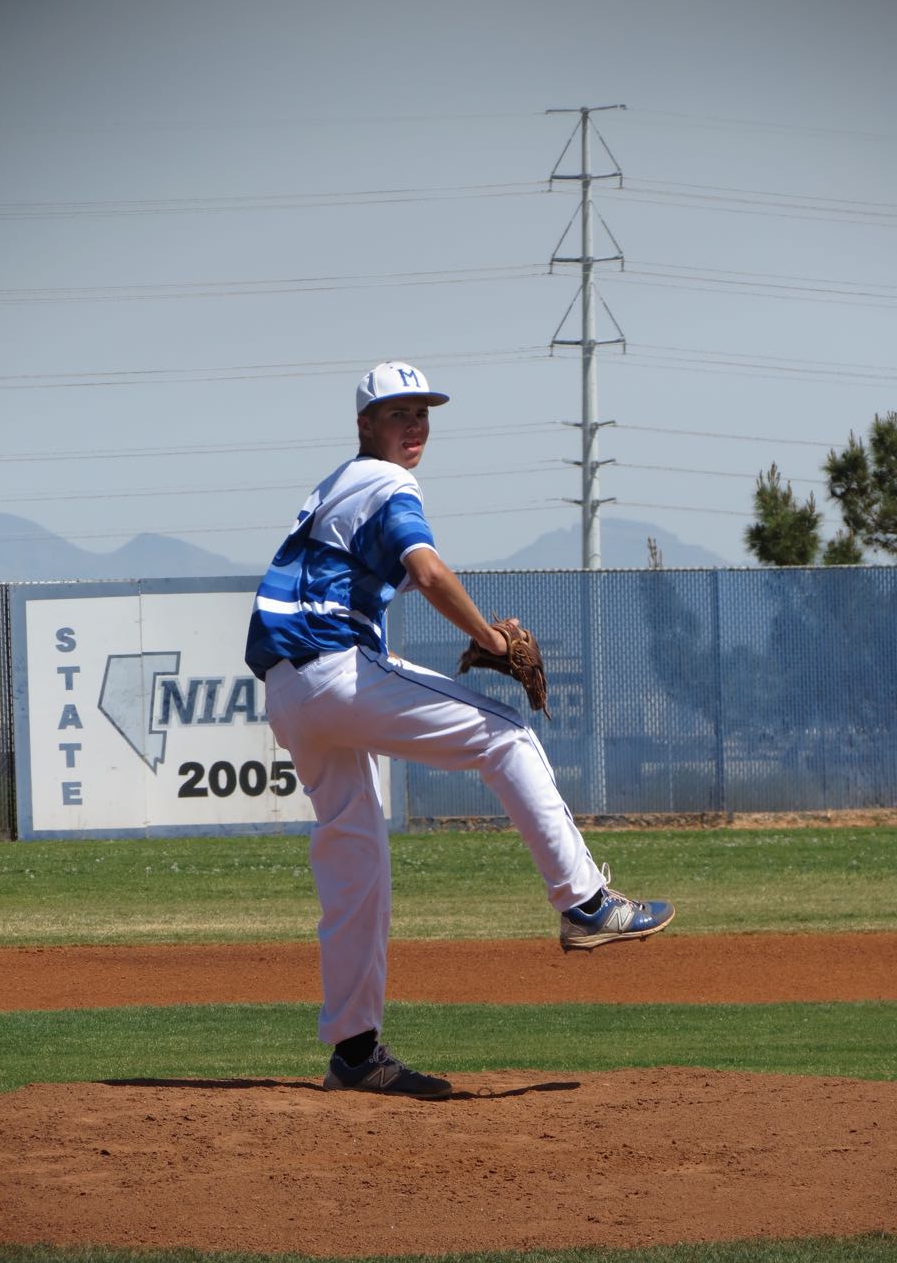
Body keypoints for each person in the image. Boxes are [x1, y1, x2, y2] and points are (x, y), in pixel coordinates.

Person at [245, 361, 674, 1100]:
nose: (414, 425)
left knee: (356, 863)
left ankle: (354, 1053)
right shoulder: (388, 483)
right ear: (365, 424)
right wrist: (493, 639)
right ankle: (586, 903)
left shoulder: (336, 486)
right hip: (333, 669)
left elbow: (379, 576)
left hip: (288, 690)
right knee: (506, 733)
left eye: (422, 413)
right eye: (398, 412)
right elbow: (430, 571)